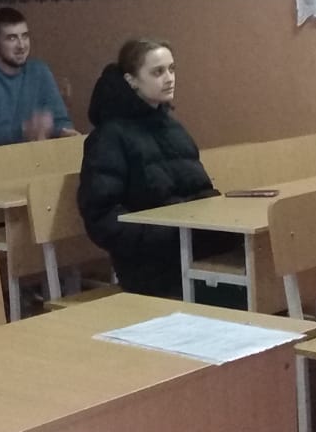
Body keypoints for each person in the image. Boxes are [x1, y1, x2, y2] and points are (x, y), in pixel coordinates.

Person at [77, 38, 236, 298]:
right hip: (149, 266)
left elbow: (199, 191)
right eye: (157, 72)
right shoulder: (108, 138)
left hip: (189, 249)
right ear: (131, 80)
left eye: (172, 69)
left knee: (254, 258)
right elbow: (102, 218)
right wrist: (168, 235)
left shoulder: (173, 129)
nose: (169, 78)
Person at [0, 8, 77, 146]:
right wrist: (24, 130)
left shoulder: (39, 70)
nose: (21, 45)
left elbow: (61, 121)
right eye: (12, 38)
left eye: (25, 36)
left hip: (37, 154)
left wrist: (65, 133)